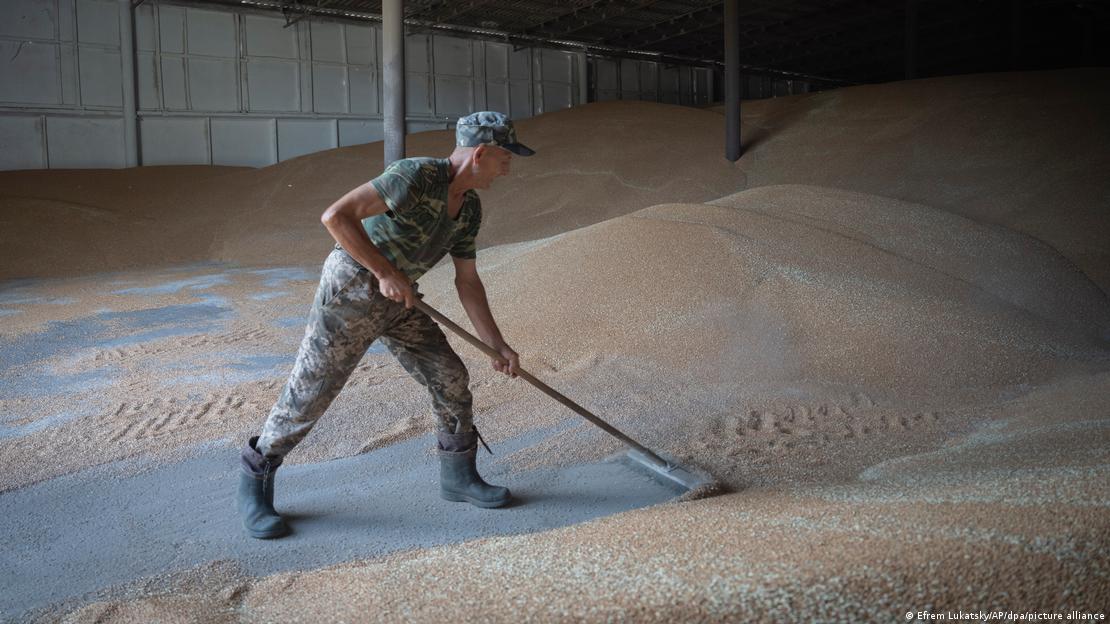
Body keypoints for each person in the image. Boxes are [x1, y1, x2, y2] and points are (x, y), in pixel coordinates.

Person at [237, 111, 535, 539]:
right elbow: (336, 217)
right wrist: (384, 272)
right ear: (482, 153)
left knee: (450, 377)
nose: (509, 167)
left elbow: (467, 281)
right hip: (352, 290)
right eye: (505, 157)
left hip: (401, 299)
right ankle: (254, 483)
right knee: (310, 394)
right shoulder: (415, 175)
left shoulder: (468, 209)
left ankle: (459, 477)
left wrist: (497, 345)